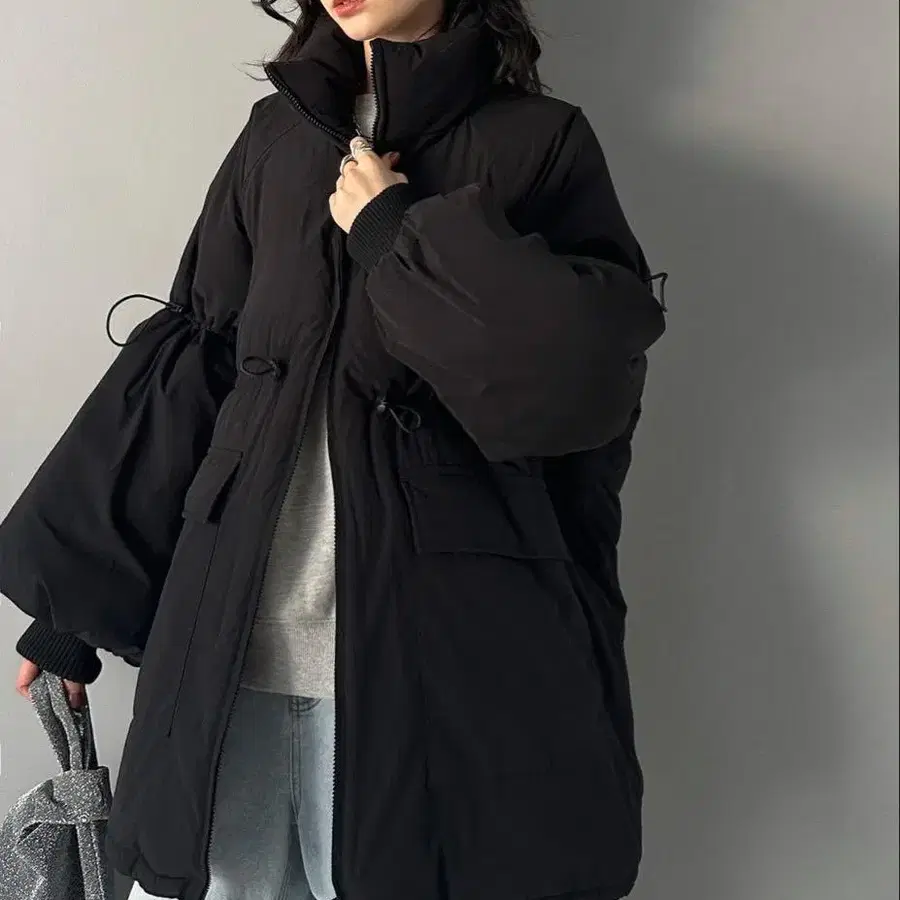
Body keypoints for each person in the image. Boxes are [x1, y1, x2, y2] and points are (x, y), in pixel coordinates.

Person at [3, 0, 666, 897]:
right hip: (228, 655)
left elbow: (580, 382)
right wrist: (75, 608)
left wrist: (398, 232)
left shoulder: (540, 141)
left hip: (439, 667)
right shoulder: (276, 137)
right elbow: (199, 365)